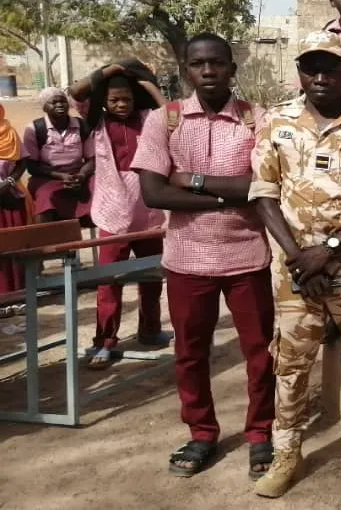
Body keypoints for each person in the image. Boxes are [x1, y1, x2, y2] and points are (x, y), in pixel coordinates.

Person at [249, 32, 341, 497]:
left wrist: (328, 249)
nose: (319, 77)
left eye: (329, 69)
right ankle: (286, 453)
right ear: (300, 72)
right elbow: (263, 194)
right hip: (295, 273)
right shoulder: (276, 122)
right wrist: (299, 258)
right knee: (291, 367)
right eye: (310, 68)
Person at [132, 33, 275, 480]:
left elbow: (261, 187)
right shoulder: (164, 120)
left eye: (217, 63)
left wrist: (190, 180)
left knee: (260, 352)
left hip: (247, 257)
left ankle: (260, 434)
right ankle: (202, 432)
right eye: (198, 64)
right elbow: (155, 192)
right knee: (190, 352)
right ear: (186, 70)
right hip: (187, 260)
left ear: (233, 68)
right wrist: (225, 195)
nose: (208, 71)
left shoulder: (257, 120)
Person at [68, 61, 172, 369]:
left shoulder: (148, 119)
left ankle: (150, 329)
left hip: (148, 210)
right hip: (114, 210)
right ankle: (104, 341)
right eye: (114, 99)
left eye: (126, 98)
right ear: (103, 101)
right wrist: (109, 71)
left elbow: (170, 112)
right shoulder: (95, 123)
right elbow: (76, 92)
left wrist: (144, 82)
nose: (121, 104)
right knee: (108, 280)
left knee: (152, 277)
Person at [21, 87, 94, 224]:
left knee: (101, 189)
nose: (60, 105)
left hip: (78, 175)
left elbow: (91, 159)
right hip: (47, 176)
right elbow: (31, 166)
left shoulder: (81, 125)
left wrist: (82, 175)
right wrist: (61, 176)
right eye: (53, 102)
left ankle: (105, 233)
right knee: (45, 197)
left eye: (63, 101)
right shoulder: (35, 128)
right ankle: (46, 241)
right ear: (45, 107)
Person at [0, 103, 29, 301]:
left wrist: (9, 181)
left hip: (9, 194)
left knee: (14, 243)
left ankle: (17, 292)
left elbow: (22, 161)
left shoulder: (9, 133)